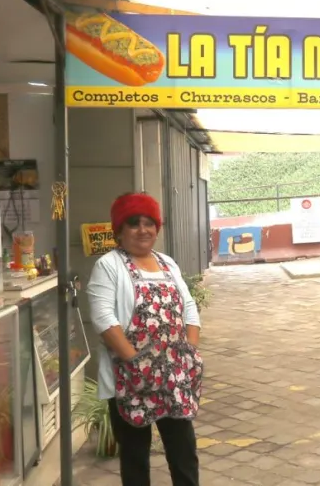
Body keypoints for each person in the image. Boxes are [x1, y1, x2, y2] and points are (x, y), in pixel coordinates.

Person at [87, 193, 203, 486]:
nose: (143, 230)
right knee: (135, 458)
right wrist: (137, 363)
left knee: (183, 451)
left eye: (149, 223)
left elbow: (189, 307)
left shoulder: (168, 263)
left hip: (173, 375)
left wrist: (189, 352)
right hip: (130, 378)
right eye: (134, 223)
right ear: (119, 230)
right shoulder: (108, 265)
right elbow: (104, 319)